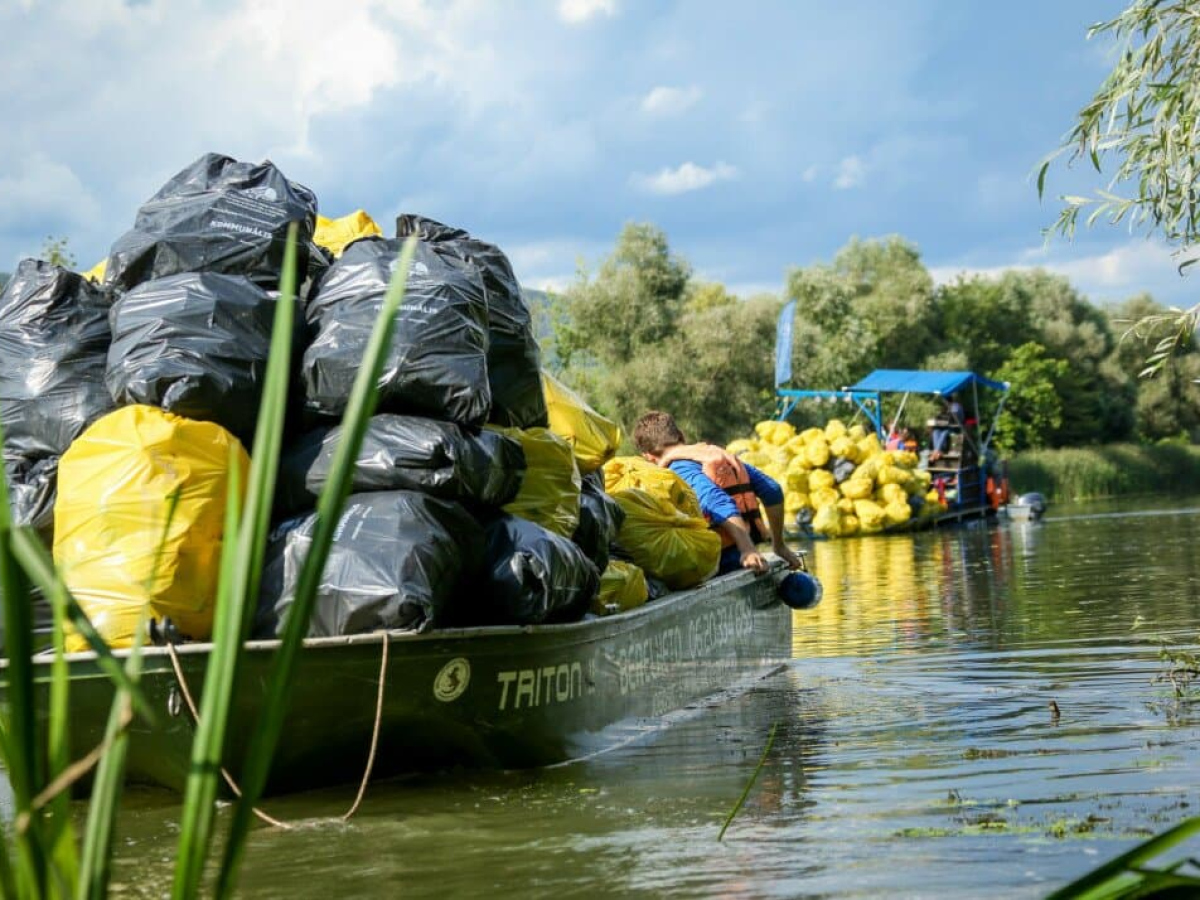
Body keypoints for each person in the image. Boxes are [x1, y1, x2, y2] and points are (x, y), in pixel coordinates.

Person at [632, 411, 805, 576]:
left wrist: (747, 549)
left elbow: (717, 501)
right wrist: (779, 545)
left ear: (648, 457)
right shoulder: (716, 456)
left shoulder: (679, 469)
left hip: (720, 559)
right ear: (681, 436)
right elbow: (772, 489)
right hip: (742, 549)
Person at [929, 395, 964, 461]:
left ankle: (936, 451)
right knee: (935, 431)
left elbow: (954, 416)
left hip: (956, 428)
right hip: (947, 427)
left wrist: (947, 414)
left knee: (944, 432)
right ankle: (938, 451)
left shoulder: (956, 406)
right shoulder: (947, 407)